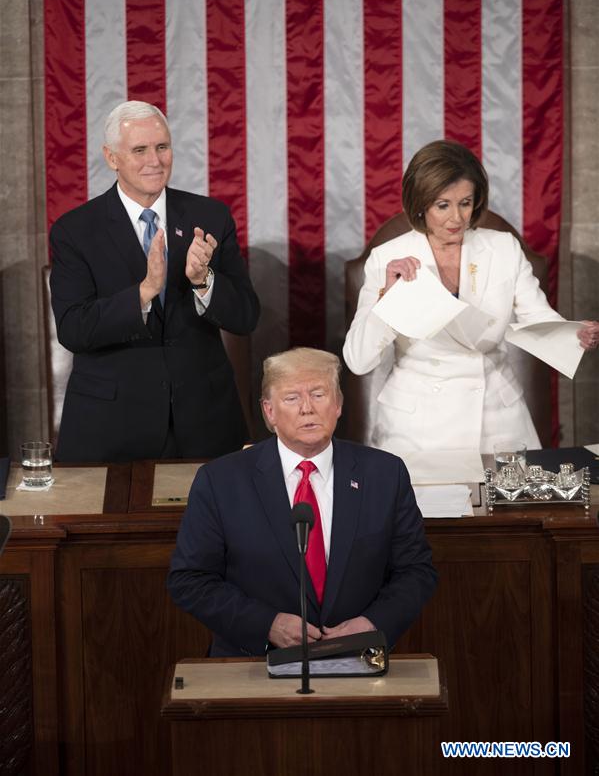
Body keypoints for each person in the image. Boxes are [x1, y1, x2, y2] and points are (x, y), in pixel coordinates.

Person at [168, 347, 437, 656]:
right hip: (254, 663)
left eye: (319, 395)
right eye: (292, 398)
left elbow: (416, 571)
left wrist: (373, 623)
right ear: (269, 411)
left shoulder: (385, 474)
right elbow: (189, 580)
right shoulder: (221, 481)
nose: (307, 408)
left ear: (338, 405)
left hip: (359, 660)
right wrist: (266, 624)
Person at [343, 140, 599, 455]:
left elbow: (538, 317)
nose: (457, 219)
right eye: (443, 205)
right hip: (416, 428)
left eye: (465, 202)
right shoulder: (388, 257)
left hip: (497, 420)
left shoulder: (504, 248)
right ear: (421, 203)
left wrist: (573, 334)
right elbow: (358, 360)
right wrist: (388, 298)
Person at [50, 100, 260, 462]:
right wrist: (144, 292)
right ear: (111, 157)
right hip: (112, 427)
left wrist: (204, 281)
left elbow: (245, 317)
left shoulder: (209, 216)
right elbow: (74, 330)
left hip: (205, 423)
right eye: (140, 150)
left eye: (162, 147)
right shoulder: (75, 230)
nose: (155, 160)